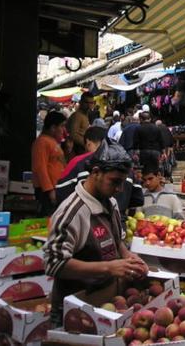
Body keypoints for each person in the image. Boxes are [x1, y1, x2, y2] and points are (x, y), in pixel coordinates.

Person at [44, 140, 149, 327]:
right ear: (96, 173)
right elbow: (54, 264)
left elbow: (117, 242)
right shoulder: (73, 212)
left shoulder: (111, 203)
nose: (119, 189)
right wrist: (109, 268)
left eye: (123, 183)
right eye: (115, 182)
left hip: (105, 303)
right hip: (73, 311)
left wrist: (129, 258)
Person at [32, 111, 67, 217]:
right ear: (53, 127)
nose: (63, 130)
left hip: (56, 187)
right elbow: (40, 168)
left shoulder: (51, 141)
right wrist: (50, 191)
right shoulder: (42, 142)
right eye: (61, 126)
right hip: (47, 191)